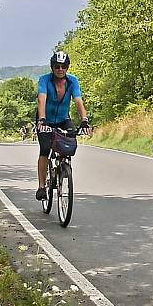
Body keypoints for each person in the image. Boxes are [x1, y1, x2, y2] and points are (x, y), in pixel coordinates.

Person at [35, 51, 91, 200]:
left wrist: (84, 119)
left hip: (63, 119)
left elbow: (78, 101)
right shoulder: (44, 80)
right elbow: (42, 99)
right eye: (57, 66)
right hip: (45, 119)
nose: (60, 69)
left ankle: (63, 166)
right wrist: (42, 120)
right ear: (52, 67)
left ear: (67, 67)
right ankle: (42, 186)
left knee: (70, 141)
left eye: (63, 66)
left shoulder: (73, 81)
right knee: (45, 149)